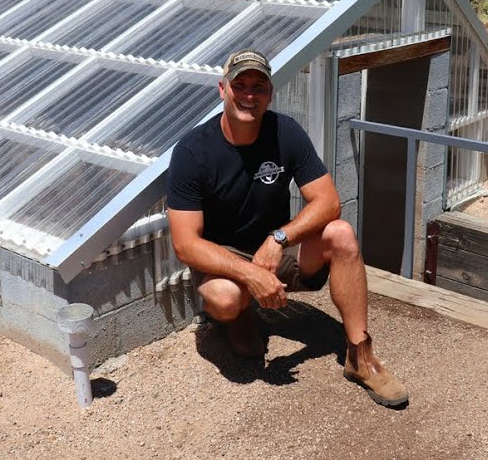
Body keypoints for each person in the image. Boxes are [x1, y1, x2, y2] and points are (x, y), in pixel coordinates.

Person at [166, 48, 409, 407]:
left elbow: (328, 201)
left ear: (270, 92)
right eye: (240, 85)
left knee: (341, 234)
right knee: (225, 299)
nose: (249, 95)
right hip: (225, 257)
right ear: (223, 89)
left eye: (259, 87)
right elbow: (186, 244)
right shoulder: (192, 151)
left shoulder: (285, 131)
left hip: (275, 247)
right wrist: (249, 274)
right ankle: (242, 315)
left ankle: (360, 355)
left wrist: (279, 238)